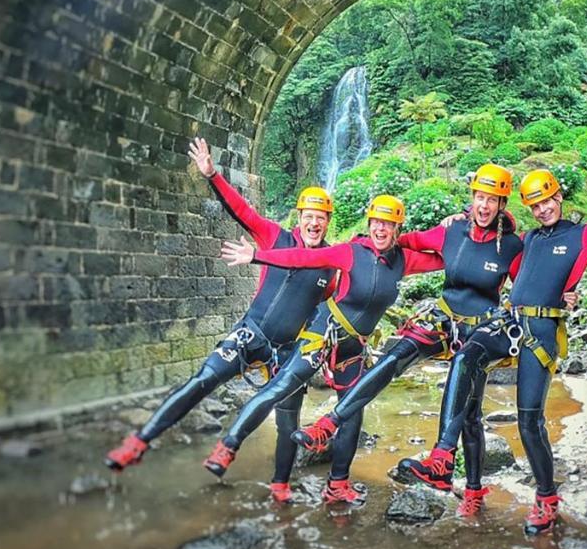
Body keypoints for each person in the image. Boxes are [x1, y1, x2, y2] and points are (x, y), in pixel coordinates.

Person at [399, 144, 587, 535]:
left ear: (558, 198)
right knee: (465, 358)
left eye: (547, 201)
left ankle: (547, 500)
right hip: (508, 323)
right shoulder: (528, 240)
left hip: (542, 333)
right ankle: (443, 458)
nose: (543, 209)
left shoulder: (583, 236)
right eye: (535, 205)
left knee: (529, 423)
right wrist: (461, 218)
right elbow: (495, 227)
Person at [288, 164, 542, 517]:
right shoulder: (449, 232)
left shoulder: (512, 246)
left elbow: (530, 284)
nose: (484, 206)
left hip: (480, 331)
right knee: (394, 357)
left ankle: (470, 491)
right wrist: (364, 246)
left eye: (492, 200)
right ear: (472, 197)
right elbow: (401, 240)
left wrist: (564, 297)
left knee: (470, 415)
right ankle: (329, 423)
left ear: (502, 204)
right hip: (441, 318)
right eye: (479, 197)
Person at [104, 138, 336, 505]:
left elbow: (329, 307)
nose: (313, 223)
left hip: (289, 348)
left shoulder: (332, 264)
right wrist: (212, 174)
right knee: (203, 380)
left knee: (288, 420)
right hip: (252, 332)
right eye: (308, 216)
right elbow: (241, 211)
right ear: (299, 217)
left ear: (327, 222)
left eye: (320, 218)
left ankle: (280, 487)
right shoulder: (275, 236)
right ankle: (139, 442)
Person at [210, 195, 442, 504]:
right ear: (369, 223)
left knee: (352, 412)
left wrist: (457, 228)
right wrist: (257, 256)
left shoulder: (404, 260)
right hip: (324, 331)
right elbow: (301, 259)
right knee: (281, 387)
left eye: (388, 224)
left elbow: (450, 256)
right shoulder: (350, 252)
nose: (380, 229)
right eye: (376, 223)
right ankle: (228, 446)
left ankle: (337, 485)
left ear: (397, 228)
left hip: (353, 347)